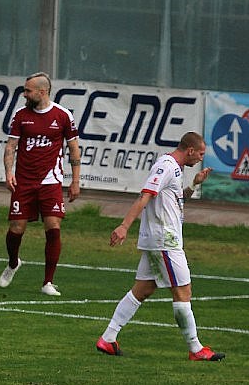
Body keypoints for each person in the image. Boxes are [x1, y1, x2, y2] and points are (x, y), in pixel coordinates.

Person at [95, 132, 225, 361]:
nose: (201, 159)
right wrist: (124, 226)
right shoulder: (165, 166)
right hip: (165, 240)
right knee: (183, 291)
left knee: (143, 289)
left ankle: (108, 338)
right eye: (201, 154)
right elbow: (144, 197)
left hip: (160, 239)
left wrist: (194, 184)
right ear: (190, 150)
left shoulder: (176, 168)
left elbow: (175, 199)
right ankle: (196, 349)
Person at [0, 72, 81, 296]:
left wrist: (75, 180)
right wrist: (8, 173)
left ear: (42, 92)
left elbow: (74, 148)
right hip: (23, 181)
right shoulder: (21, 115)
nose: (24, 94)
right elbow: (10, 146)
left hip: (50, 181)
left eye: (28, 91)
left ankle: (47, 282)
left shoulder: (63, 116)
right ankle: (14, 262)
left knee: (53, 228)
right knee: (16, 229)